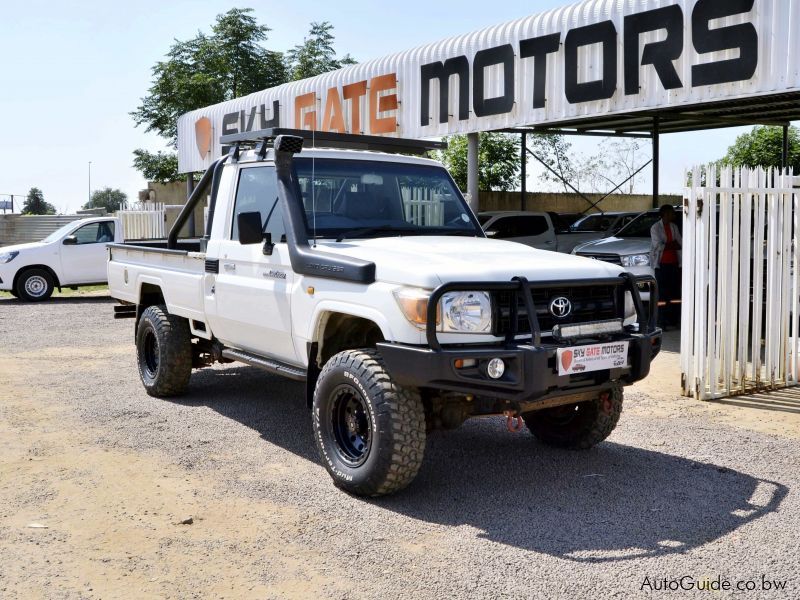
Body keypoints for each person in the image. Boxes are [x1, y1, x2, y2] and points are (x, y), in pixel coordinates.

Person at [650, 205, 682, 329]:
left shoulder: (674, 227)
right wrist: (671, 245)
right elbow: (658, 246)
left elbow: (680, 243)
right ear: (665, 214)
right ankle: (661, 321)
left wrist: (669, 245)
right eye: (671, 213)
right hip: (661, 264)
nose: (674, 215)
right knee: (662, 294)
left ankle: (674, 320)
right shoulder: (655, 227)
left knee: (675, 293)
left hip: (674, 264)